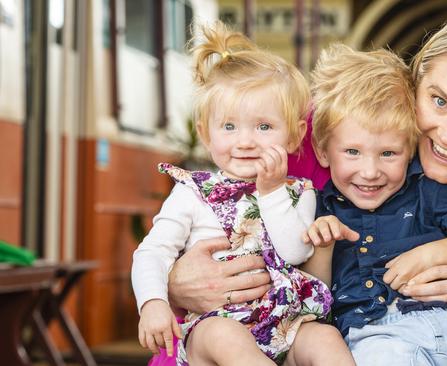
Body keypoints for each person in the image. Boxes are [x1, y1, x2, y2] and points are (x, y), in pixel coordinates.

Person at [152, 8, 447, 365]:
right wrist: (171, 281)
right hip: (242, 334)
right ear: (413, 83)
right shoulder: (321, 128)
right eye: (439, 100)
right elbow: (214, 205)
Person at [131, 22, 354, 366]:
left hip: (285, 324)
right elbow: (152, 251)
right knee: (225, 337)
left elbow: (294, 252)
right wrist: (153, 303)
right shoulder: (193, 193)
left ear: (295, 135)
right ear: (206, 134)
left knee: (325, 337)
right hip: (214, 325)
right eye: (229, 126)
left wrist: (271, 192)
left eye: (264, 127)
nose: (246, 141)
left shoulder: (298, 192)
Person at [299, 42, 447, 365]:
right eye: (352, 152)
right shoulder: (318, 208)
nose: (370, 172)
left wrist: (433, 254)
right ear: (322, 151)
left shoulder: (428, 190)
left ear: (411, 149)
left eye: (388, 153)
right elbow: (316, 297)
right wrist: (323, 245)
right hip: (376, 333)